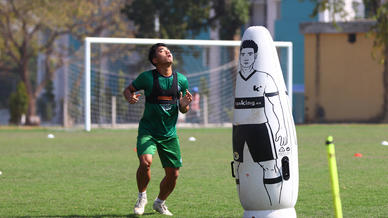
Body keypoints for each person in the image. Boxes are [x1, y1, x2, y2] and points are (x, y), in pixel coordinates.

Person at [123, 43, 192, 216]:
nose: (168, 52)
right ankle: (142, 197)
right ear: (155, 60)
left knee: (173, 174)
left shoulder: (181, 80)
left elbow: (184, 108)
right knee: (145, 162)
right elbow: (128, 90)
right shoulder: (147, 78)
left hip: (169, 135)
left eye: (168, 49)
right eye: (162, 51)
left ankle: (160, 202)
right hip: (148, 131)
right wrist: (130, 97)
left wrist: (184, 107)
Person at [233, 40, 287, 206]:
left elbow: (276, 106)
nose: (246, 57)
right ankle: (251, 205)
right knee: (238, 169)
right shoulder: (238, 79)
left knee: (269, 167)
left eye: (250, 54)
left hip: (259, 129)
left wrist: (279, 129)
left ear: (255, 56)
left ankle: (273, 205)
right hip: (239, 130)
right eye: (243, 54)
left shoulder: (264, 77)